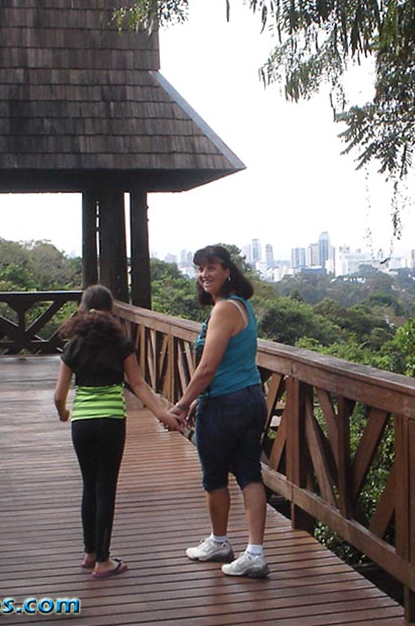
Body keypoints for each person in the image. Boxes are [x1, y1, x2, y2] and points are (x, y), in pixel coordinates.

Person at [54, 284, 182, 578]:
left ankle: (89, 553)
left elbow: (59, 396)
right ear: (112, 312)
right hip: (111, 421)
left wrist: (64, 414)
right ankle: (104, 561)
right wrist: (163, 414)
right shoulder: (121, 344)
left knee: (89, 485)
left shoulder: (72, 347)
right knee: (106, 487)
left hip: (82, 424)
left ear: (82, 311)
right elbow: (138, 385)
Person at [168, 245, 270, 578]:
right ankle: (254, 552)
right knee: (249, 472)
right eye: (199, 269)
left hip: (226, 404)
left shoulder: (223, 309)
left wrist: (182, 403)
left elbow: (208, 366)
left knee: (214, 476)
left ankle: (220, 540)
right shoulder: (243, 307)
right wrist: (200, 399)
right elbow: (232, 363)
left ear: (228, 271)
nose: (204, 274)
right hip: (251, 397)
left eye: (212, 267)